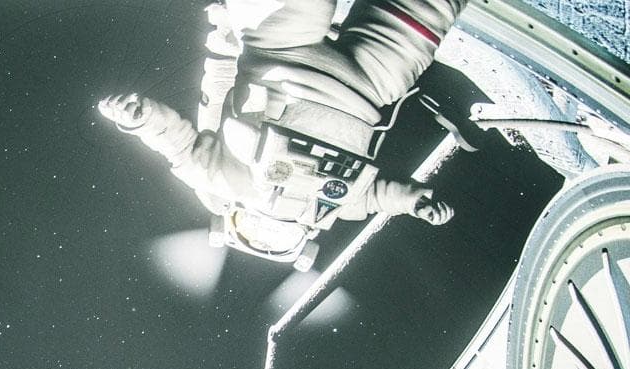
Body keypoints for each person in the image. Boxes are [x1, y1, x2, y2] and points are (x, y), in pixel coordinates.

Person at [98, 0, 463, 269]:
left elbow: (176, 143)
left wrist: (139, 119)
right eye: (276, 240)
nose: (268, 229)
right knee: (427, 9)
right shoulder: (336, 208)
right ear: (305, 238)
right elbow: (379, 197)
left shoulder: (220, 186)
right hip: (370, 83)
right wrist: (416, 203)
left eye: (253, 234)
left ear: (233, 220)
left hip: (283, 55)